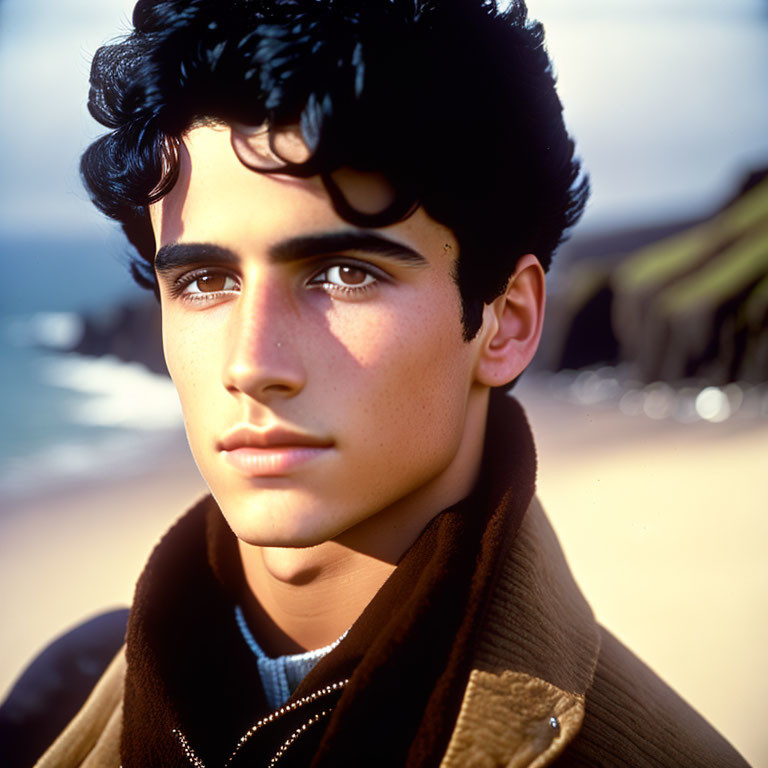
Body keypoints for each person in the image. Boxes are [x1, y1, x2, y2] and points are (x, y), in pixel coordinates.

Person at [0, 0, 751, 766]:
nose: (252, 364)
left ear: (508, 321)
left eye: (343, 273)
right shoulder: (48, 706)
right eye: (204, 281)